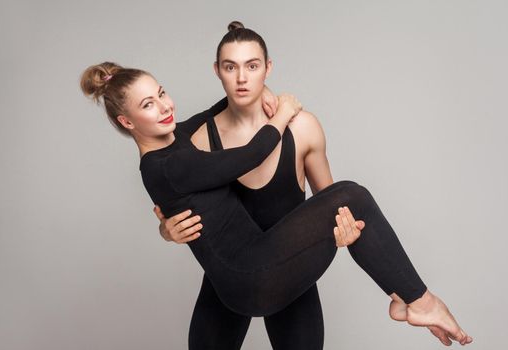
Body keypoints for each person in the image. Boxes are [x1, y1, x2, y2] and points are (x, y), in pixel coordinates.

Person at [80, 60, 472, 347]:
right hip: (248, 276)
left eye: (161, 93)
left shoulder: (176, 139)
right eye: (148, 105)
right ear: (127, 122)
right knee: (352, 195)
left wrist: (260, 91)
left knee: (348, 202)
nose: (165, 106)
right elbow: (250, 154)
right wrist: (282, 111)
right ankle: (419, 300)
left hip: (251, 263)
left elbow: (216, 109)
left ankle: (408, 300)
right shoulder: (168, 165)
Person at [154, 21, 363, 350]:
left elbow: (333, 203)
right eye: (230, 67)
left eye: (251, 66)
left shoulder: (303, 127)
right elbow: (171, 198)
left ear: (267, 68)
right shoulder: (197, 140)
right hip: (229, 279)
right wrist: (167, 230)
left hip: (290, 278)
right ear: (217, 71)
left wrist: (345, 231)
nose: (241, 78)